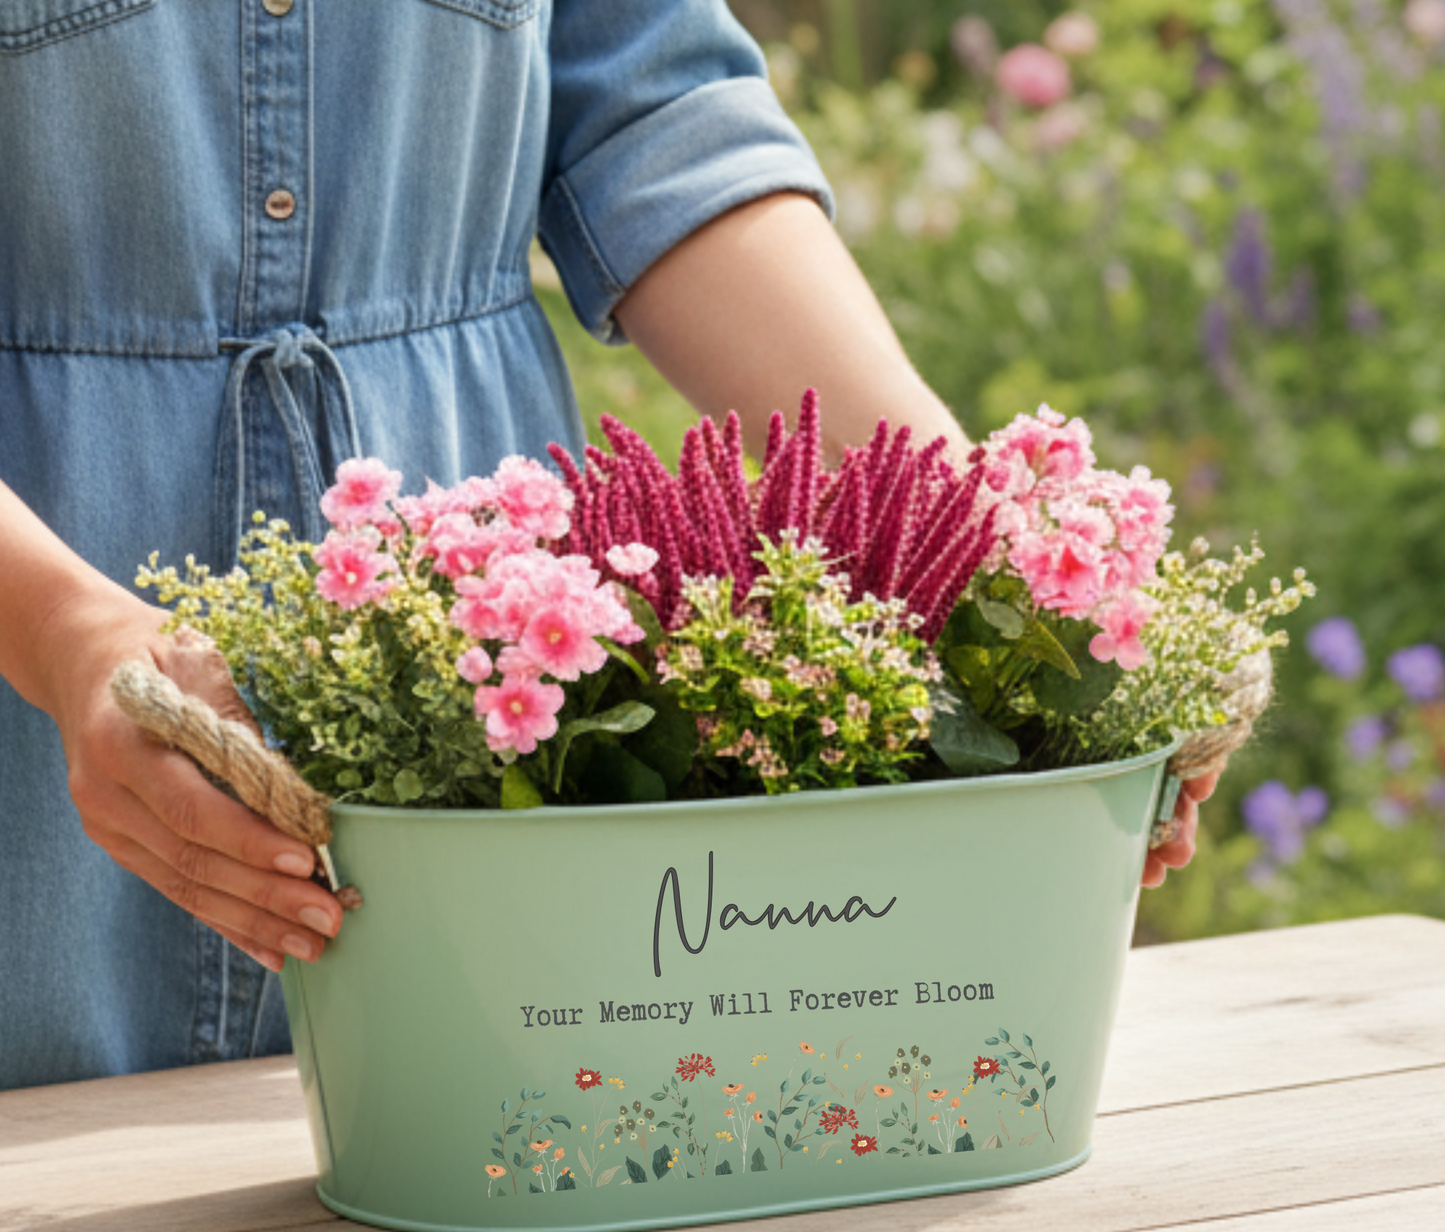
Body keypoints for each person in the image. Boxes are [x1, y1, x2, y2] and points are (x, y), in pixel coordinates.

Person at [0, 0, 1210, 1092]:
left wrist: (974, 539)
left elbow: (653, 117)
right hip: (37, 657)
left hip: (481, 657)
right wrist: (64, 630)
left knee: (509, 1161)